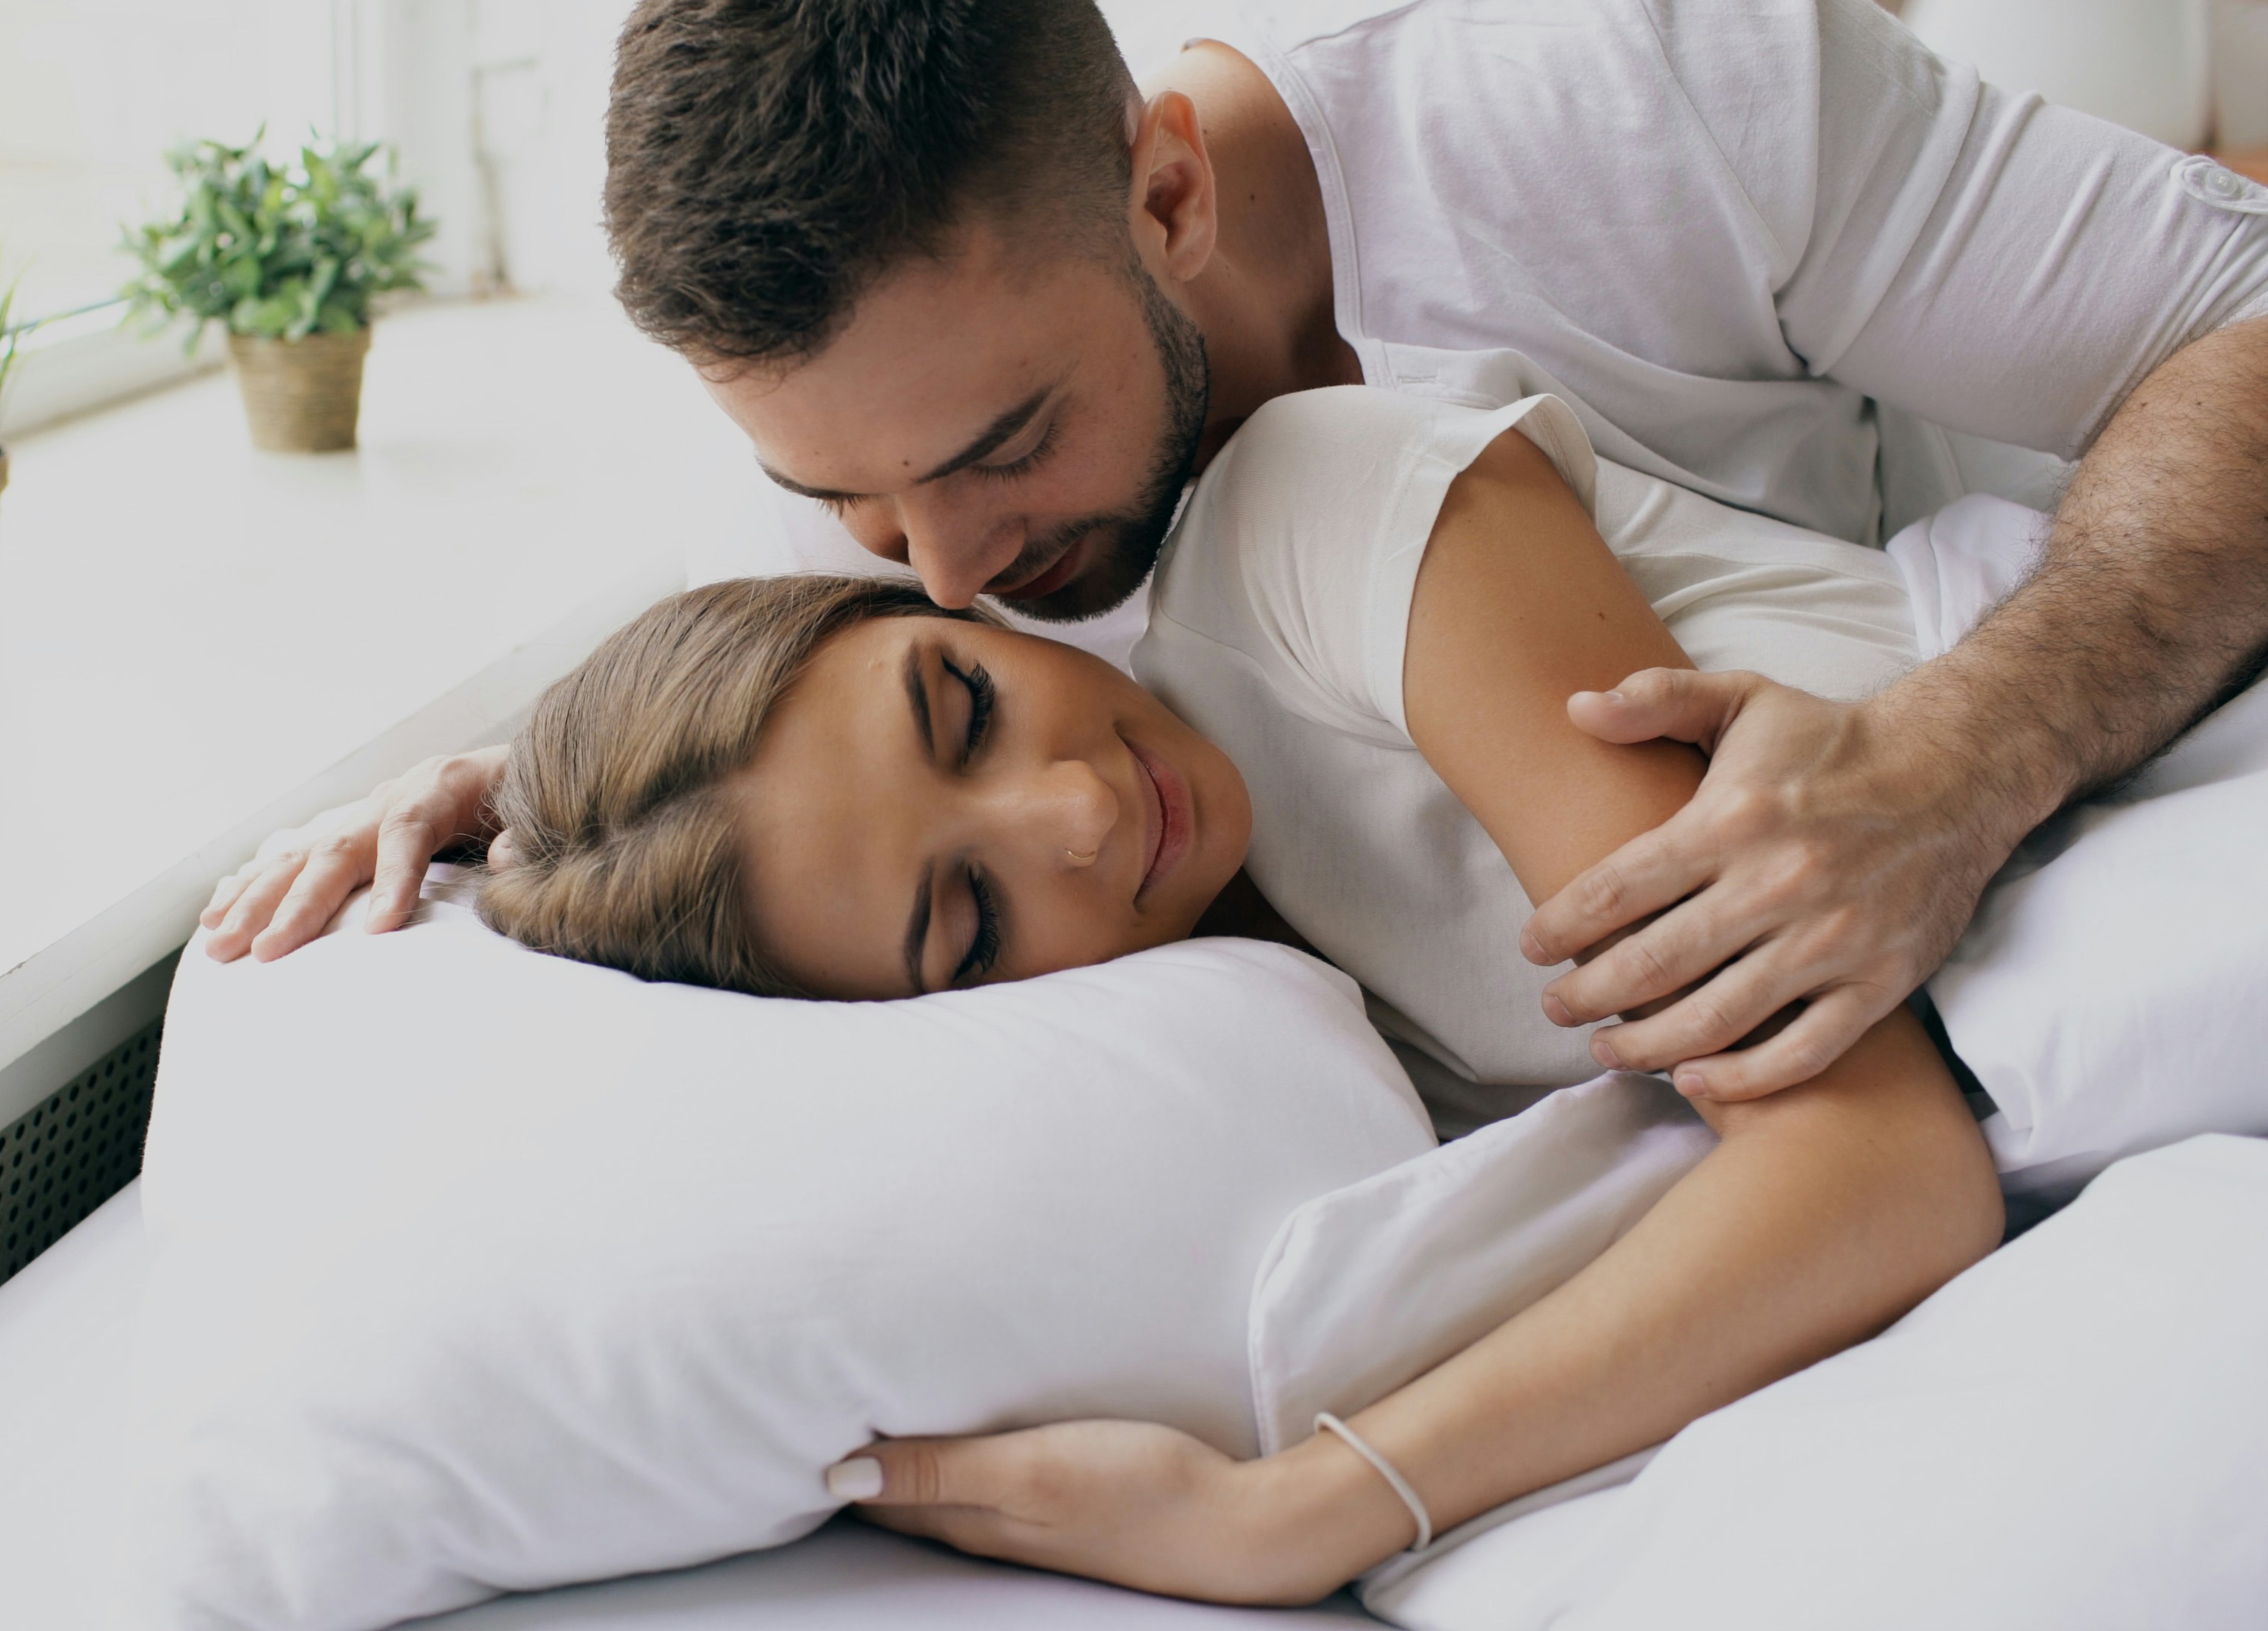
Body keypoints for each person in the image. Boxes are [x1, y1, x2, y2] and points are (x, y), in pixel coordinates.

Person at [201, 0, 2268, 1108]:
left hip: (2087, 662)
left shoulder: (1625, 92)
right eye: (848, 509)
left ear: (1169, 188)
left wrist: (1974, 744)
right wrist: (519, 783)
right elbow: (759, 718)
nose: (950, 578)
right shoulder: (886, 467)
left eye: (1005, 448)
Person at [459, 380, 2038, 1602]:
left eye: (964, 707)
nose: (1073, 815)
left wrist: (1299, 1510)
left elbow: (1883, 1164)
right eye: (969, 922)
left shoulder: (1300, 532)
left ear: (945, 607)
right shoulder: (1267, 1036)